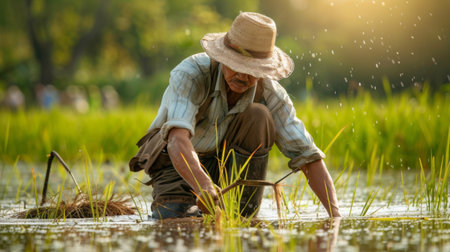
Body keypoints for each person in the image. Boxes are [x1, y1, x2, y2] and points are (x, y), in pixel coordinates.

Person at [130, 12, 341, 219]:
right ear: (223, 57)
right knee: (175, 218)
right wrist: (204, 186)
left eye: (252, 70)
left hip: (229, 170)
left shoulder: (270, 93)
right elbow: (177, 140)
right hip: (176, 163)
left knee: (259, 116)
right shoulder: (192, 74)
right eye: (236, 65)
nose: (242, 75)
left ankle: (239, 212)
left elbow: (308, 157)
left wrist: (335, 217)